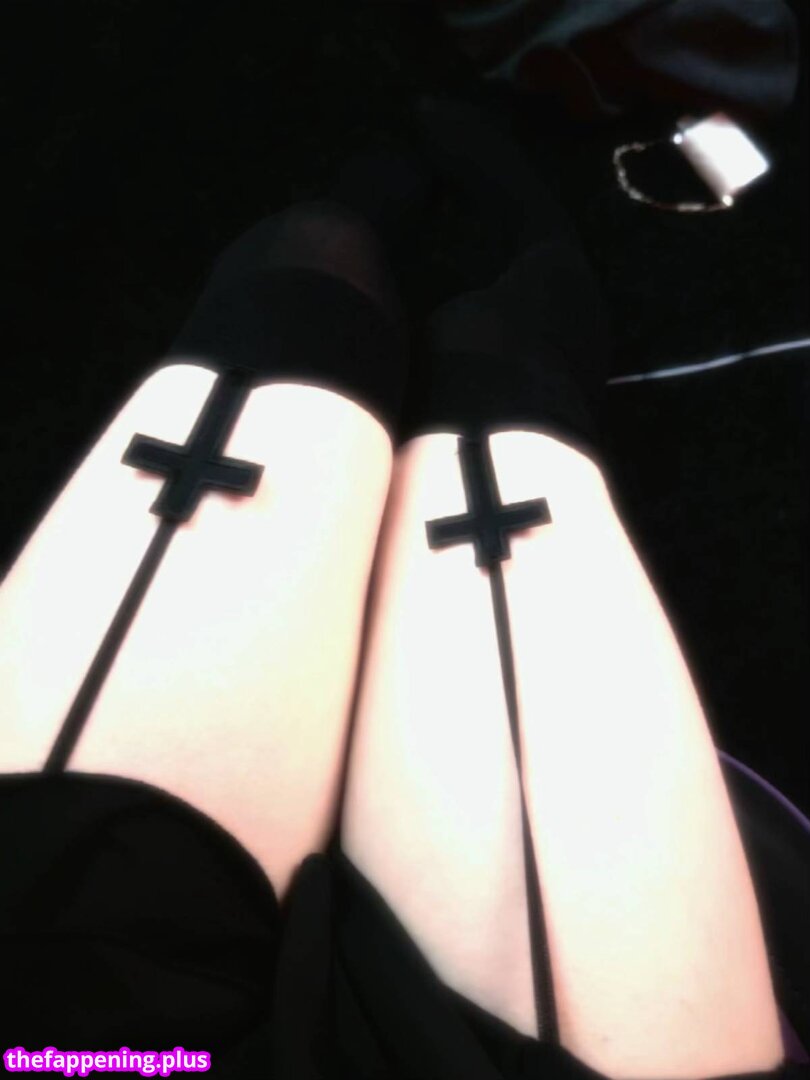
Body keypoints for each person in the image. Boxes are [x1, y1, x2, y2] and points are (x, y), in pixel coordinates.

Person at [0, 99, 801, 1080]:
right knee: (494, 388)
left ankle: (375, 214)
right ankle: (525, 248)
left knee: (298, 293)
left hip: (63, 1022)